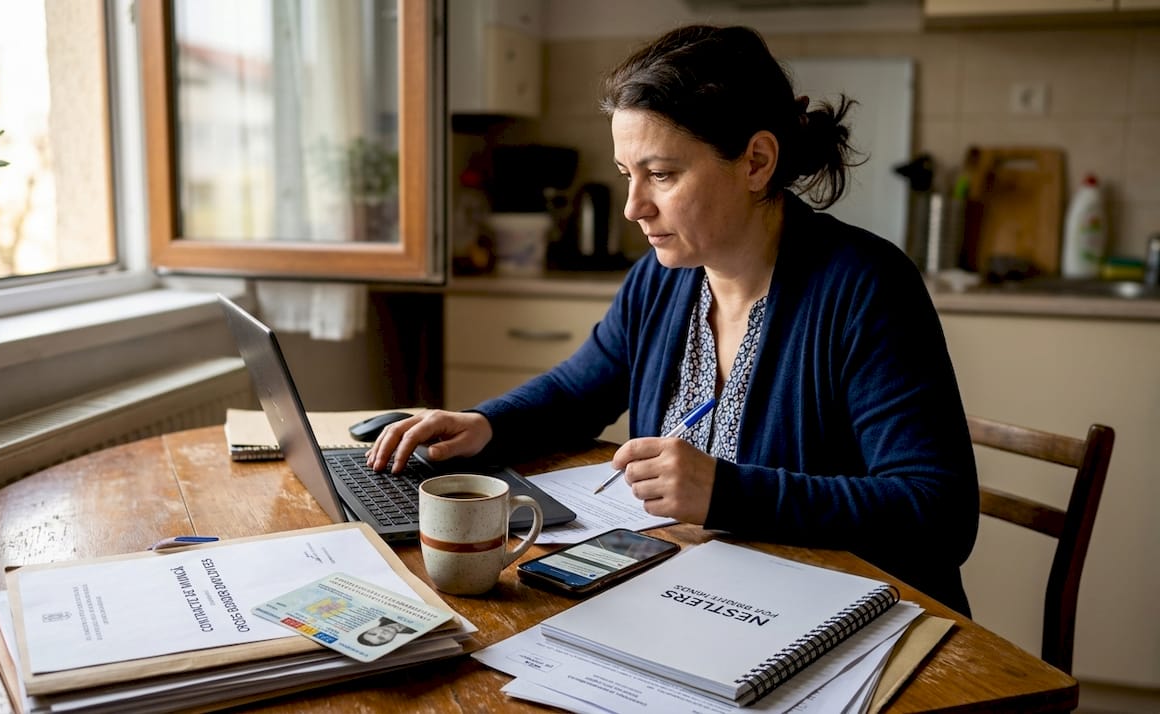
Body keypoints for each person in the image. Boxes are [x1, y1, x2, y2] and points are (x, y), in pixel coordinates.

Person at [370, 25, 978, 614]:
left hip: (853, 628)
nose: (635, 207)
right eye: (627, 175)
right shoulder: (663, 277)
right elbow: (578, 391)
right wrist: (485, 423)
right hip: (710, 600)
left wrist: (728, 493)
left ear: (756, 162)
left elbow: (938, 514)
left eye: (661, 175)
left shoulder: (865, 287)